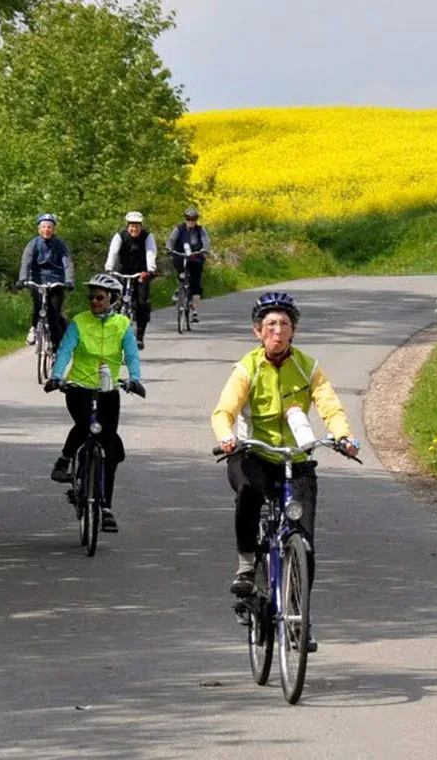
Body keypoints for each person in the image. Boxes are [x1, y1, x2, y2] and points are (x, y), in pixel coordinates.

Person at [210, 292, 359, 603]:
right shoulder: (247, 368)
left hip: (296, 457)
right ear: (257, 331)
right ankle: (247, 563)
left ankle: (296, 615)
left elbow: (330, 406)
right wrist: (227, 436)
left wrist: (343, 436)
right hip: (254, 452)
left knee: (304, 542)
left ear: (294, 330)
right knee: (249, 492)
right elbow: (225, 411)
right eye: (270, 324)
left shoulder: (307, 367)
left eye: (285, 324)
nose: (277, 331)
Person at [45, 272, 146, 532]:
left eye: (100, 298)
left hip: (107, 389)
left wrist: (133, 379)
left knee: (109, 446)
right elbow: (66, 350)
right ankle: (65, 460)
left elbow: (132, 356)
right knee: (84, 425)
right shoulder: (79, 322)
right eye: (91, 298)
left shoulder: (122, 324)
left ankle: (106, 508)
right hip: (79, 386)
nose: (94, 302)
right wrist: (57, 377)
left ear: (112, 299)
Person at [18, 213, 73, 349]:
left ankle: (57, 348)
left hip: (56, 281)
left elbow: (67, 263)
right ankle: (34, 329)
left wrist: (69, 280)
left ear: (53, 229)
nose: (47, 230)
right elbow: (26, 262)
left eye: (49, 227)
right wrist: (22, 279)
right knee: (38, 306)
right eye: (44, 227)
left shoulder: (60, 244)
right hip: (38, 280)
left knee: (54, 314)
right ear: (39, 229)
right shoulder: (33, 244)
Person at [105, 211, 158, 349]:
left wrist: (150, 269)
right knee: (114, 300)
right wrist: (109, 268)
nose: (134, 229)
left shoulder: (147, 236)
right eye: (131, 226)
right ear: (127, 226)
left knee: (141, 303)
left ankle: (139, 336)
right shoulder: (120, 236)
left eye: (136, 226)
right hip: (122, 272)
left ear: (140, 226)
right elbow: (113, 252)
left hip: (141, 274)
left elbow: (150, 252)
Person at [167, 207, 210, 323]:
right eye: (188, 219)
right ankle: (179, 287)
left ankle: (195, 311)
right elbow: (171, 240)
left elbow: (206, 241)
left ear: (196, 220)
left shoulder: (201, 230)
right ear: (185, 219)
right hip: (180, 255)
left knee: (196, 284)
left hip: (195, 256)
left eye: (193, 219)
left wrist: (204, 249)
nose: (191, 221)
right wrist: (169, 248)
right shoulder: (178, 229)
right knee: (180, 272)